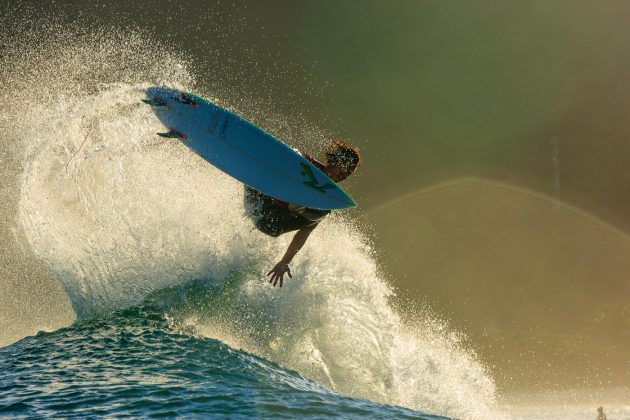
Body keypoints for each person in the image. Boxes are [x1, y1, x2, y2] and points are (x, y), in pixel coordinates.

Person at [244, 140, 361, 287]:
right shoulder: (307, 163)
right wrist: (293, 155)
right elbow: (291, 154)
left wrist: (285, 261)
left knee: (321, 211)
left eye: (350, 172)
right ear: (334, 161)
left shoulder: (326, 202)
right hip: (258, 201)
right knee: (295, 160)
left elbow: (304, 233)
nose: (346, 174)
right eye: (345, 167)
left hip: (271, 223)